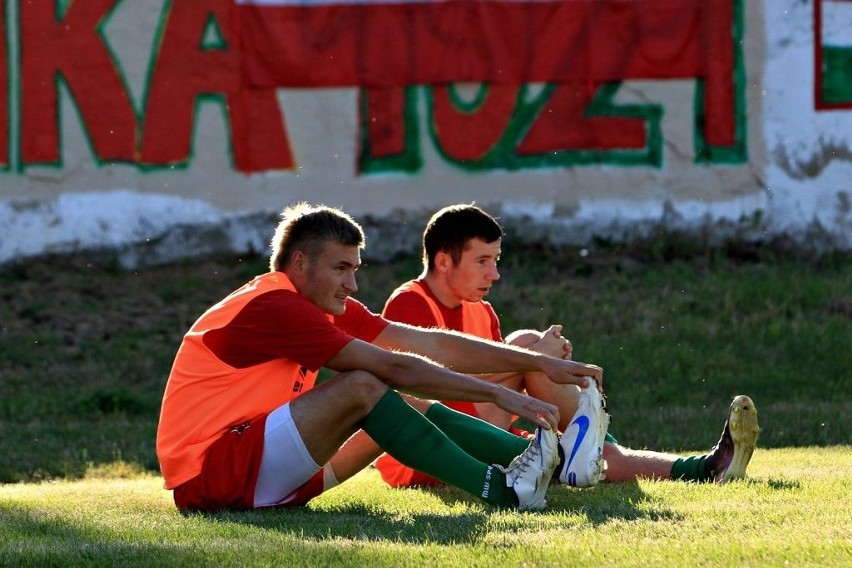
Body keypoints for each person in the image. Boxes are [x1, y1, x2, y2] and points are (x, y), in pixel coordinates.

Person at [155, 202, 607, 513]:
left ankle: (561, 462)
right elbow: (392, 366)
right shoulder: (275, 306)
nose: (351, 284)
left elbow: (431, 345)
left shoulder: (315, 303)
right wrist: (502, 394)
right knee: (364, 383)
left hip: (261, 474)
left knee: (398, 397)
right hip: (214, 478)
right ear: (298, 264)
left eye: (354, 269)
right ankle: (502, 493)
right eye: (340, 269)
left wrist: (535, 362)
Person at [373, 203, 760, 488]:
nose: (495, 272)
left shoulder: (483, 310)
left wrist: (537, 360)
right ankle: (674, 462)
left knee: (528, 349)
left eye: (497, 259)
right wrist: (538, 359)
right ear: (443, 261)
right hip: (428, 454)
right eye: (483, 261)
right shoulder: (410, 302)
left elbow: (489, 391)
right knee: (527, 348)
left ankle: (695, 466)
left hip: (480, 428)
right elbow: (426, 388)